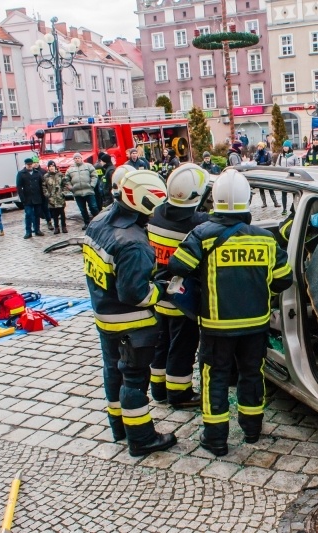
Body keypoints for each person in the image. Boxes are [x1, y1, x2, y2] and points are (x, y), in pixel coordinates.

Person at [167, 169, 293, 457]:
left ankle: (215, 439)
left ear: (215, 200)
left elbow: (177, 266)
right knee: (252, 374)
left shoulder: (202, 235)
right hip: (255, 325)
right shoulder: (265, 239)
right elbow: (283, 279)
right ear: (247, 200)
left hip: (217, 326)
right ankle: (252, 430)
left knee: (215, 378)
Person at [84, 167, 177, 457]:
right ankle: (141, 438)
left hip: (105, 316)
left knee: (113, 371)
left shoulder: (99, 221)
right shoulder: (133, 243)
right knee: (135, 380)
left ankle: (119, 427)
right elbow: (136, 294)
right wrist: (163, 289)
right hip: (132, 324)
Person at [146, 164, 210, 407]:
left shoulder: (155, 213)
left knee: (162, 344)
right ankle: (179, 394)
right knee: (182, 347)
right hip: (182, 299)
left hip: (158, 292)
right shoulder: (198, 223)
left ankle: (159, 390)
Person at [65, 152, 100, 230]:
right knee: (82, 209)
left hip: (89, 190)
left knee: (93, 207)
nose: (77, 159)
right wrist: (70, 187)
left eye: (78, 158)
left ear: (81, 158)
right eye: (75, 158)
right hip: (77, 193)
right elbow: (66, 179)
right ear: (74, 159)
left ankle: (98, 222)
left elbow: (94, 175)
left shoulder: (88, 166)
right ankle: (87, 223)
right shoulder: (70, 169)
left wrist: (92, 185)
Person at [16, 157, 45, 239]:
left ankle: (37, 230)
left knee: (37, 215)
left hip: (37, 197)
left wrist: (42, 196)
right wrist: (22, 199)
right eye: (28, 164)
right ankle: (28, 232)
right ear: (25, 165)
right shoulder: (21, 174)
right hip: (27, 198)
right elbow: (19, 187)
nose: (29, 166)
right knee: (28, 215)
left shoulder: (37, 173)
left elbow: (42, 185)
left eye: (30, 164)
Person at [43, 161, 68, 234]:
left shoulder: (60, 175)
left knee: (62, 212)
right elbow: (44, 186)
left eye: (53, 166)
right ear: (48, 167)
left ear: (55, 167)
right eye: (50, 166)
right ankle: (56, 227)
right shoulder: (46, 176)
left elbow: (65, 184)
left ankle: (64, 226)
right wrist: (47, 194)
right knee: (54, 214)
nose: (51, 168)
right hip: (51, 198)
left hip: (60, 197)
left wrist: (63, 193)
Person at [33, 156, 53, 231]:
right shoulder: (31, 172)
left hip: (43, 194)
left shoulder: (43, 171)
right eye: (34, 162)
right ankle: (36, 226)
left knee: (46, 209)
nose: (36, 164)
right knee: (36, 211)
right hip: (35, 195)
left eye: (37, 162)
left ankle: (49, 222)